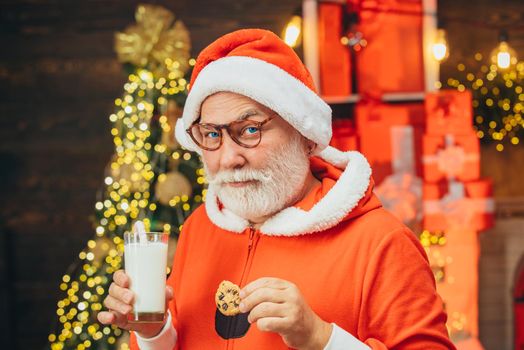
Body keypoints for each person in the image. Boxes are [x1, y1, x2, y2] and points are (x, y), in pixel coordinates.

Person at [98, 28, 456, 349]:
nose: (228, 158)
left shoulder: (382, 243)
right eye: (211, 135)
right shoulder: (200, 228)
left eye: (250, 129)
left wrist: (321, 338)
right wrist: (154, 332)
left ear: (304, 135)